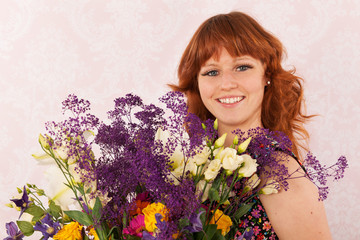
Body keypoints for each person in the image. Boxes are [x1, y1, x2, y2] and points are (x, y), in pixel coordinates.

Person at [170, 12, 332, 239]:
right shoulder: (194, 167)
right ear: (197, 84)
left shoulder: (279, 173)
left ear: (267, 74)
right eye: (212, 72)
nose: (226, 83)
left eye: (242, 67)